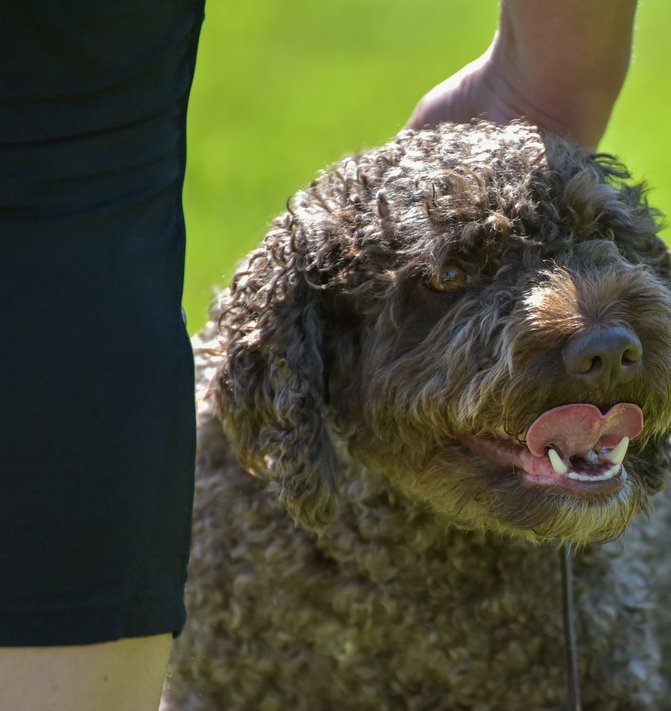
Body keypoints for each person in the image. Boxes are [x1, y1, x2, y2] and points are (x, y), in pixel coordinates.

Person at [0, 1, 636, 709]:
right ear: (310, 347)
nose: (599, 334)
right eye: (450, 278)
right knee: (78, 178)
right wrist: (550, 65)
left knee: (71, 185)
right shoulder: (242, 523)